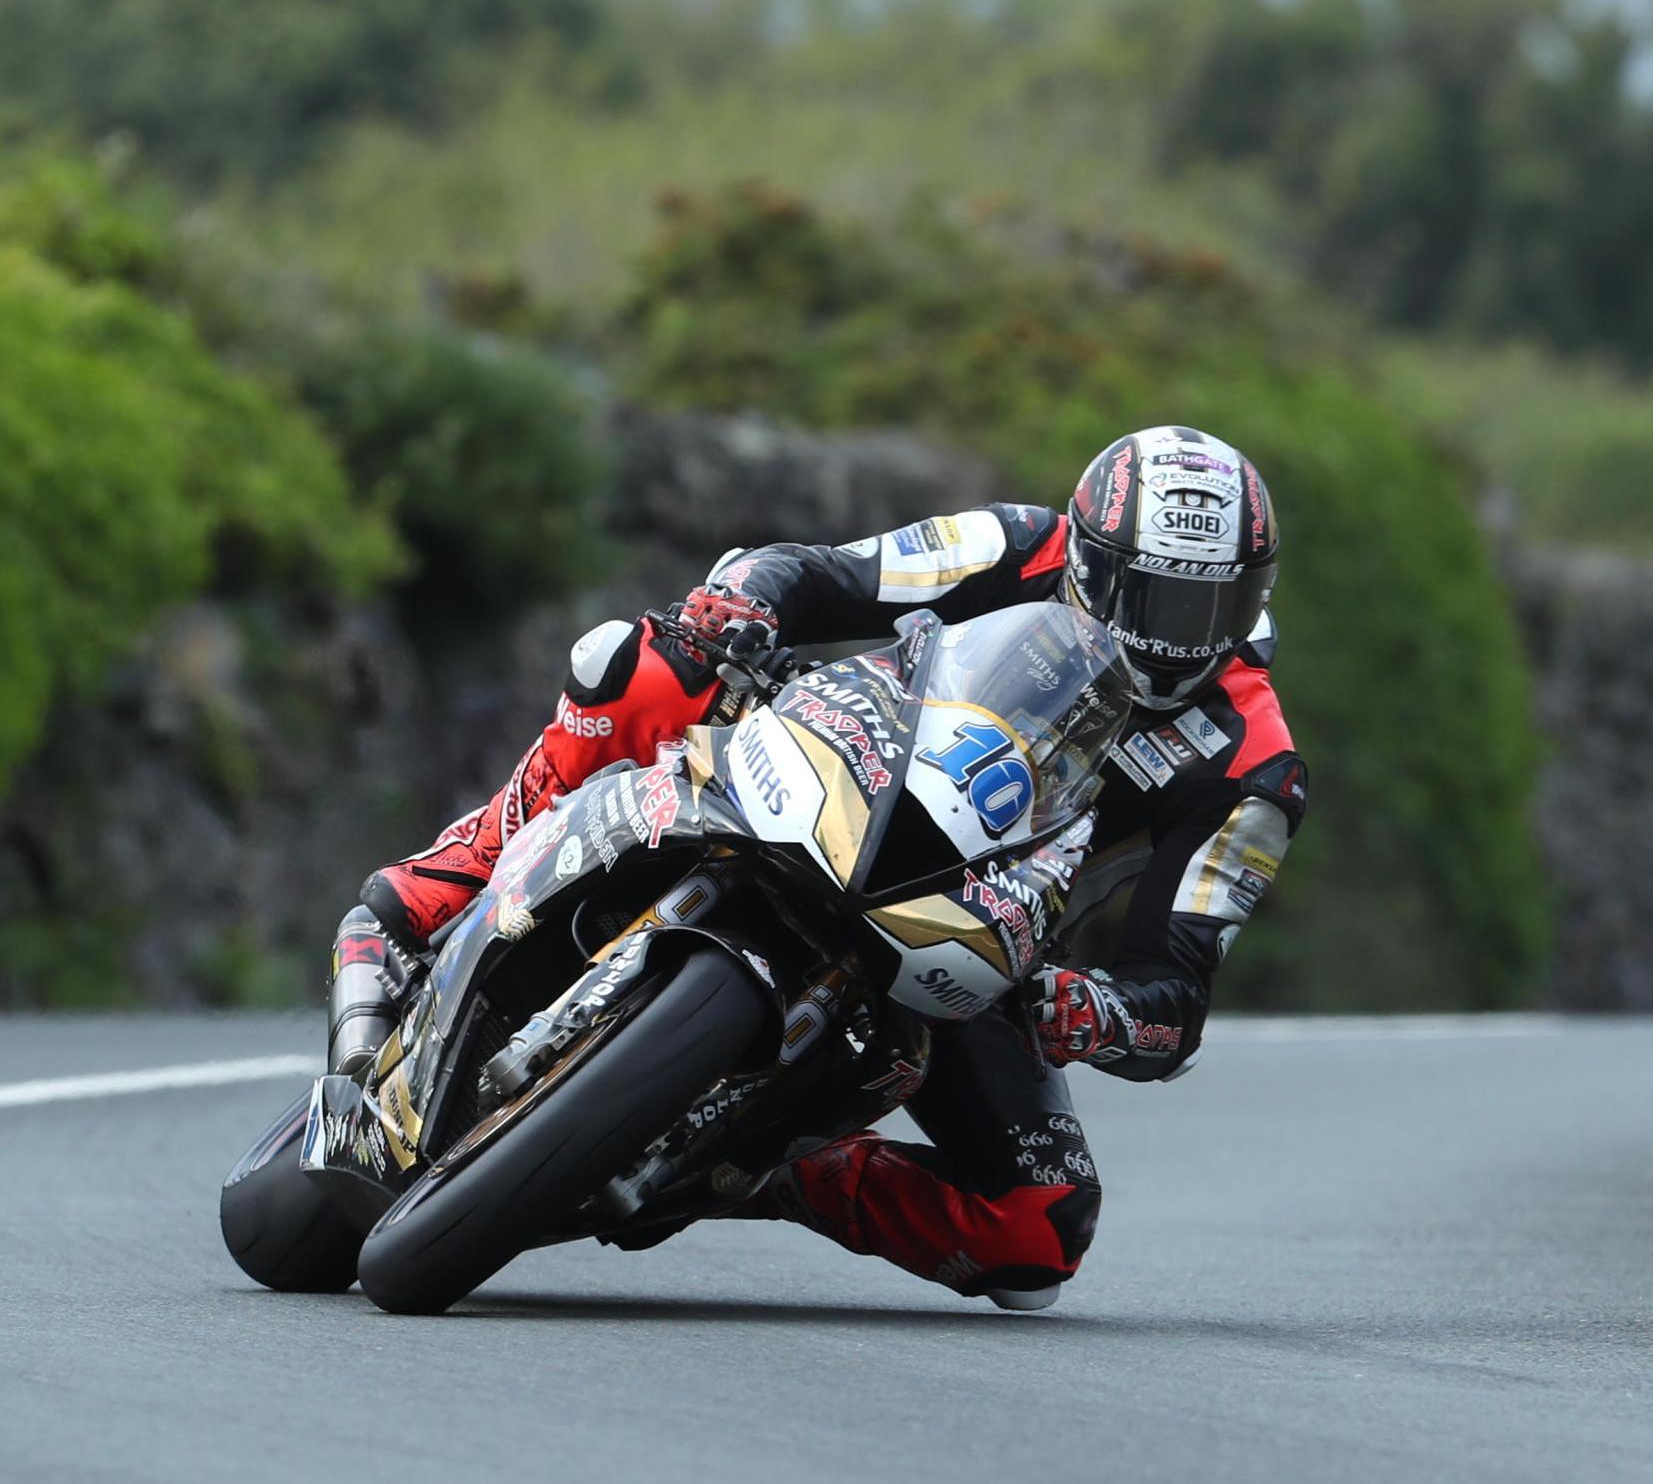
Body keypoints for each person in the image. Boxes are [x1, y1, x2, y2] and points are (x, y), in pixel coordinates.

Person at [328, 424, 1307, 1310]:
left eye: (1207, 603)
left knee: (1037, 1230)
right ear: (1089, 555)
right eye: (1152, 594)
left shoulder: (1252, 763)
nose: (1173, 633)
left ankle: (768, 1165)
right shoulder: (1017, 542)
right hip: (843, 768)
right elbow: (818, 571)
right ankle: (442, 881)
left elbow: (1174, 988)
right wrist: (734, 605)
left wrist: (1095, 1010)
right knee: (650, 661)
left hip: (978, 933)